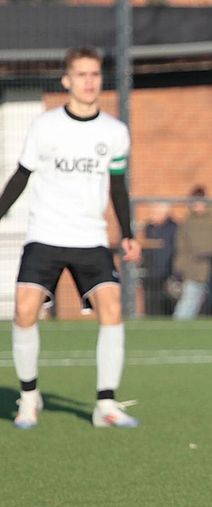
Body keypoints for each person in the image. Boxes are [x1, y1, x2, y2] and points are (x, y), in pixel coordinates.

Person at [0, 46, 141, 429]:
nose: (89, 81)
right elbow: (22, 175)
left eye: (94, 74)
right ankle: (29, 398)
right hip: (45, 234)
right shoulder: (45, 125)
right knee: (25, 311)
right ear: (67, 80)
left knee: (112, 310)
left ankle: (106, 406)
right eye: (81, 75)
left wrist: (127, 233)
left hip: (90, 238)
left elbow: (118, 186)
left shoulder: (114, 132)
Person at [172, 185, 212, 320]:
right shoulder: (187, 222)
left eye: (199, 202)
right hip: (193, 270)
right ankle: (178, 327)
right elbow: (181, 248)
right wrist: (179, 269)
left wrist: (211, 255)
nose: (196, 206)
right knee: (189, 300)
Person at [141, 202, 177, 316]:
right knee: (151, 302)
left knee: (167, 302)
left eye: (157, 213)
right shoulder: (149, 228)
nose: (153, 216)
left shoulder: (174, 228)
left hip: (167, 272)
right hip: (150, 272)